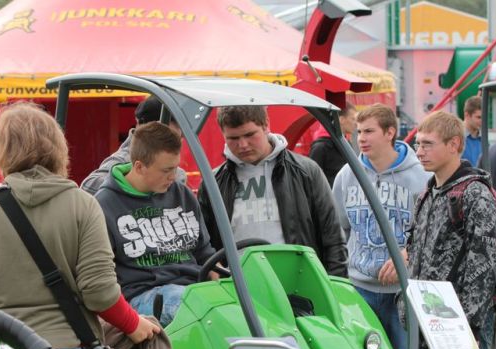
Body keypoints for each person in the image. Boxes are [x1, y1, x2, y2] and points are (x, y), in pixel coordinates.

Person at [0, 102, 167, 349]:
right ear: (58, 147)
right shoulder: (82, 205)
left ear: (3, 150)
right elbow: (99, 293)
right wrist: (135, 325)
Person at [333, 104, 429, 349]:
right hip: (360, 287)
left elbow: (429, 232)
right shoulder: (347, 175)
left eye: (369, 131)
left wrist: (408, 254)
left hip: (404, 291)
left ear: (390, 133)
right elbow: (339, 227)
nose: (361, 138)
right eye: (359, 131)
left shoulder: (419, 178)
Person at [406, 111, 496, 349]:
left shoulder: (475, 194)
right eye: (418, 144)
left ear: (454, 144)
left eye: (428, 144)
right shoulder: (428, 194)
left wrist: (467, 323)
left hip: (461, 323)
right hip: (425, 317)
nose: (419, 151)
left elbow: (484, 263)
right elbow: (415, 253)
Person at [199, 105, 347, 277]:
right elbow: (202, 243)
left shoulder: (305, 171)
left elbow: (333, 237)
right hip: (236, 286)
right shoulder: (213, 181)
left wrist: (335, 285)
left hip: (298, 281)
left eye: (249, 135)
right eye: (233, 138)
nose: (243, 145)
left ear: (266, 125)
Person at [95, 122, 215, 327]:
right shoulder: (104, 205)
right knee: (195, 306)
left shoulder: (182, 194)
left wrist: (228, 285)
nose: (173, 176)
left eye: (176, 168)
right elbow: (99, 276)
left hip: (192, 289)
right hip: (142, 295)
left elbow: (205, 253)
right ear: (139, 167)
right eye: (166, 170)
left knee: (243, 304)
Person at [80, 95, 187, 195]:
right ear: (155, 128)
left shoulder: (179, 174)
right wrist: (135, 182)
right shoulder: (123, 160)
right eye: (178, 126)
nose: (182, 135)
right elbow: (88, 187)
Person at [308, 103, 357, 186]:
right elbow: (311, 179)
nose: (356, 123)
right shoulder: (320, 147)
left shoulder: (346, 143)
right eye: (353, 119)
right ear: (341, 120)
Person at [461, 96, 482, 166]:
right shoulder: (456, 137)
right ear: (467, 115)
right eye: (479, 117)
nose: (482, 121)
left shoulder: (485, 140)